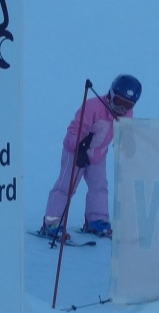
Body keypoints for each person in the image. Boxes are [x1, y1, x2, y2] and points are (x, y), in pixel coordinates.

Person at [38, 74, 141, 240]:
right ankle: (52, 222)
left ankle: (96, 220)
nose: (121, 109)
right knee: (66, 187)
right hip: (76, 151)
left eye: (127, 105)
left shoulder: (126, 114)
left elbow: (124, 131)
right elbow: (74, 129)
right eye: (118, 102)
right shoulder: (93, 107)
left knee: (99, 186)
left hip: (98, 155)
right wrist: (77, 148)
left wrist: (127, 143)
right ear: (111, 95)